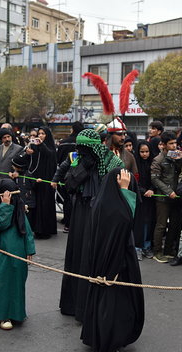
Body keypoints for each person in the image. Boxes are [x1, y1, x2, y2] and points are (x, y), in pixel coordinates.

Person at [57, 129, 124, 319]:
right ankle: (72, 305)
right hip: (79, 215)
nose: (83, 151)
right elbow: (69, 185)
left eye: (86, 147)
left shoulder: (113, 162)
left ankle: (90, 309)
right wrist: (83, 167)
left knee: (92, 256)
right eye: (80, 148)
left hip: (101, 216)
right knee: (77, 255)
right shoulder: (79, 160)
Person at [80, 168, 144, 352]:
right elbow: (124, 221)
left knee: (117, 300)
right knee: (112, 301)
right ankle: (106, 344)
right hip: (113, 262)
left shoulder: (104, 201)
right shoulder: (112, 204)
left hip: (113, 258)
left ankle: (105, 336)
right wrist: (124, 190)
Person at [0, 178, 35, 330]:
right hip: (0, 253)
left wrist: (30, 249)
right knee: (0, 283)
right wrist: (5, 206)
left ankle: (16, 313)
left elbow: (26, 228)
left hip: (18, 255)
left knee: (16, 283)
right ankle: (2, 316)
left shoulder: (19, 207)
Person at [13, 126, 57, 239]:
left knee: (44, 204)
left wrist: (40, 144)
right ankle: (36, 229)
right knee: (34, 205)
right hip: (34, 180)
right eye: (39, 134)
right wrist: (27, 152)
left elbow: (49, 154)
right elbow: (20, 160)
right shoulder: (33, 147)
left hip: (46, 181)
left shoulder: (49, 147)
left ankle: (45, 230)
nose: (40, 136)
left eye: (43, 134)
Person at [151, 132, 182, 263]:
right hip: (163, 198)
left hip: (176, 196)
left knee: (174, 224)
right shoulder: (158, 159)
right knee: (161, 225)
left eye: (175, 143)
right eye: (171, 143)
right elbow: (155, 179)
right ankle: (157, 252)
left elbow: (181, 171)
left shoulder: (176, 155)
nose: (174, 146)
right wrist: (168, 191)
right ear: (163, 145)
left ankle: (168, 250)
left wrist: (179, 160)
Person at [134, 141, 155, 260]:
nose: (145, 154)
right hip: (138, 197)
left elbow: (155, 178)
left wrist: (151, 189)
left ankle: (146, 246)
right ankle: (137, 248)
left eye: (147, 152)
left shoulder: (153, 163)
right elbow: (134, 179)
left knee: (148, 223)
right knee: (138, 224)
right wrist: (143, 191)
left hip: (150, 198)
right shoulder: (135, 163)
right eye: (142, 152)